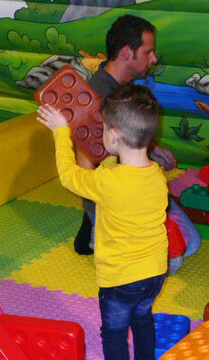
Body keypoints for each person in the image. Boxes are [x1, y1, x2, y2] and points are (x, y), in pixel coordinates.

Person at [37, 84, 168, 360]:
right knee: (143, 317)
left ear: (113, 136)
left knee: (114, 333)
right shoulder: (157, 175)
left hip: (119, 278)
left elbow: (69, 176)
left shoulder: (108, 182)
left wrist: (61, 132)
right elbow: (118, 169)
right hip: (154, 272)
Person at [74, 14, 177, 255]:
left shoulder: (125, 88)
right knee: (170, 256)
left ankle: (90, 225)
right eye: (148, 52)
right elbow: (86, 164)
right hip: (112, 195)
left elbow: (129, 134)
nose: (154, 58)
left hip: (130, 183)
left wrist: (154, 149)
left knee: (188, 240)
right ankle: (93, 224)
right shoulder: (96, 97)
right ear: (127, 53)